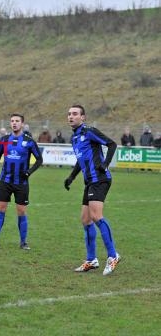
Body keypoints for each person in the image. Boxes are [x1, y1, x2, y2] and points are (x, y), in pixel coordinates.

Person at [63, 104, 120, 275]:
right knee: (86, 220)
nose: (71, 116)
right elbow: (81, 160)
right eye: (69, 114)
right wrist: (71, 177)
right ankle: (91, 260)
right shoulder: (74, 138)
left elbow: (112, 144)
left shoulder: (89, 131)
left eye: (74, 114)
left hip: (100, 179)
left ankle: (113, 255)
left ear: (83, 117)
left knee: (96, 216)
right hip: (89, 182)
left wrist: (105, 164)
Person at [0, 113, 43, 250]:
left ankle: (23, 242)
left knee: (21, 212)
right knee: (0, 209)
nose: (14, 123)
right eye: (12, 121)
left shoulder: (29, 141)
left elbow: (39, 160)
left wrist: (29, 172)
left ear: (22, 124)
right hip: (4, 181)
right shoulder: (4, 139)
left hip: (21, 183)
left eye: (17, 121)